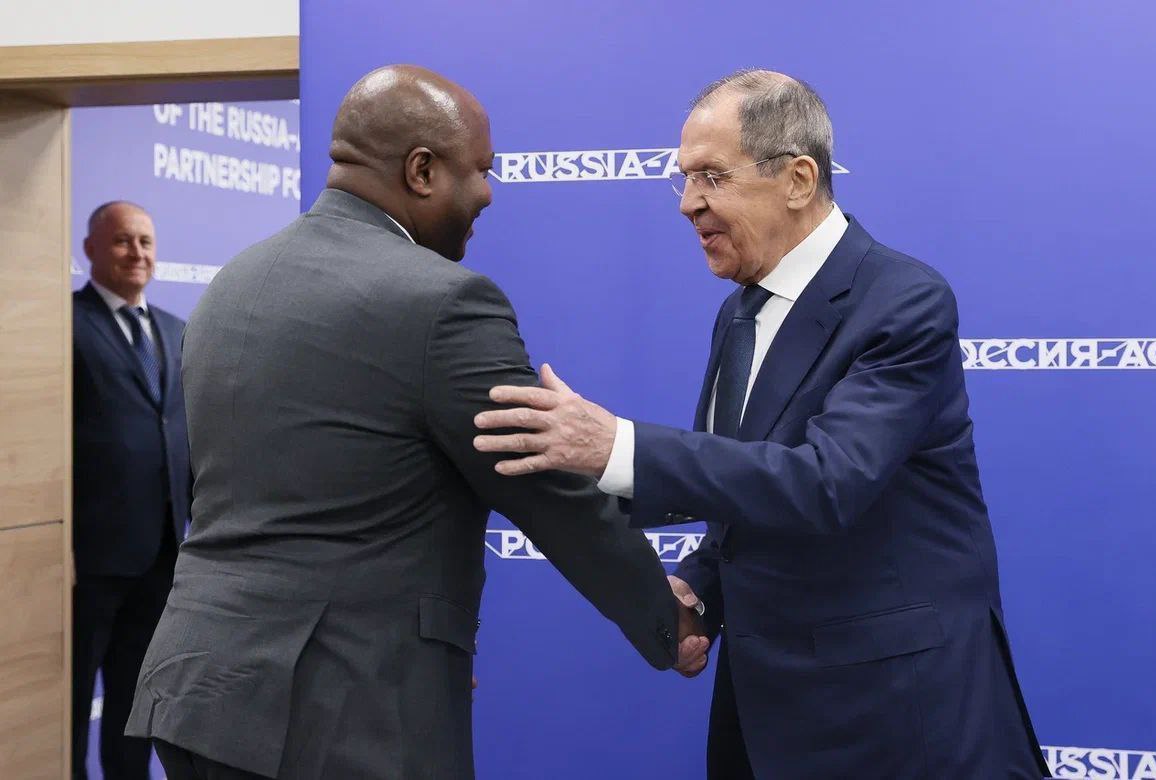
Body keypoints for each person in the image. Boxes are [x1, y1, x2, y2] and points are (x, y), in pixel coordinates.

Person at [125, 65, 706, 780]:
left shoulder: (233, 283)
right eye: (480, 171)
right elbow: (546, 489)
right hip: (335, 712)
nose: (489, 192)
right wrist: (667, 620)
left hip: (195, 693)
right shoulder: (442, 303)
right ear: (422, 171)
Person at [472, 70, 1050, 778]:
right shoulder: (740, 311)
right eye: (684, 179)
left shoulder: (903, 302)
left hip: (897, 718)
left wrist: (615, 445)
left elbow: (826, 482)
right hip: (767, 711)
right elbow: (742, 489)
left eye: (712, 177)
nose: (688, 203)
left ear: (799, 179)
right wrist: (700, 590)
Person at [72, 201, 191, 779]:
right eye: (122, 240)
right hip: (89, 560)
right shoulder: (63, 323)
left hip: (163, 554)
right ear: (91, 249)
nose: (137, 253)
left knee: (136, 704)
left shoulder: (175, 330)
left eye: (145, 241)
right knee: (70, 704)